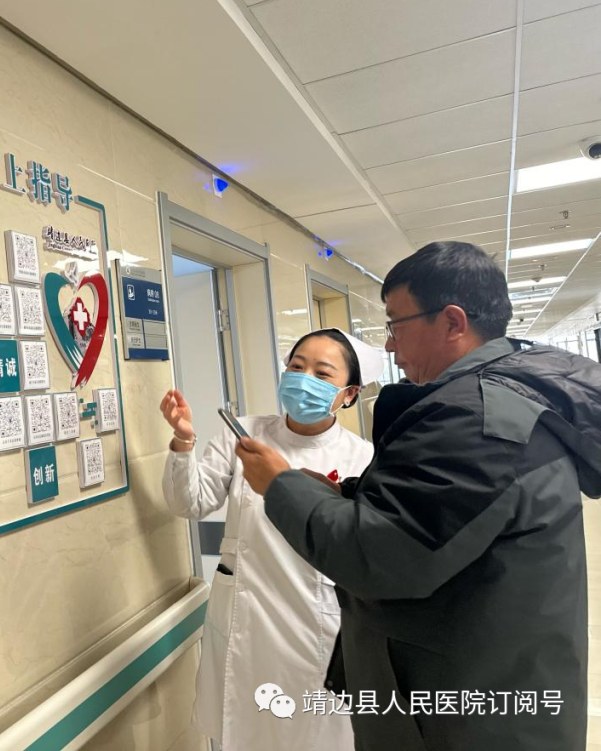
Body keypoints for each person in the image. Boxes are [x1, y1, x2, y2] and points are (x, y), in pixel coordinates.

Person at [237, 242, 601, 750]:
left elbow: (378, 555)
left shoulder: (475, 419)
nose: (389, 345)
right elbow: (436, 517)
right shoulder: (496, 401)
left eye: (395, 324)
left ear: (452, 322)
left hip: (467, 718)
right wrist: (347, 494)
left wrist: (281, 485)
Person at [160, 327, 385, 750]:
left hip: (316, 624)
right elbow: (190, 502)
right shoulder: (244, 434)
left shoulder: (364, 457)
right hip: (247, 621)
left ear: (350, 394)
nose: (304, 380)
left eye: (322, 373)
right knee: (246, 732)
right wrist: (183, 440)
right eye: (296, 367)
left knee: (317, 737)